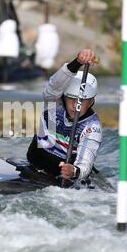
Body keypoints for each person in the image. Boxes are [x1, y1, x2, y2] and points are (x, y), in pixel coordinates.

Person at [27, 49, 102, 185]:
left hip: (62, 178)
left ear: (91, 101)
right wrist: (77, 62)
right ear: (63, 96)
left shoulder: (92, 127)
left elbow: (86, 163)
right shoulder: (53, 104)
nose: (75, 105)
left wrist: (74, 171)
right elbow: (54, 85)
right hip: (34, 166)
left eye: (82, 100)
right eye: (71, 98)